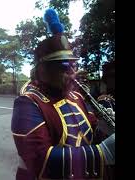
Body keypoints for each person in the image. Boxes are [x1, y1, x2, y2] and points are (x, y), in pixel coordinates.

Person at [11, 9, 115, 180]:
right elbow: (39, 158)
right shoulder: (27, 102)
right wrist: (104, 153)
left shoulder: (78, 97)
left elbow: (91, 131)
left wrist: (105, 128)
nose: (72, 73)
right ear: (43, 70)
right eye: (64, 67)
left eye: (73, 66)